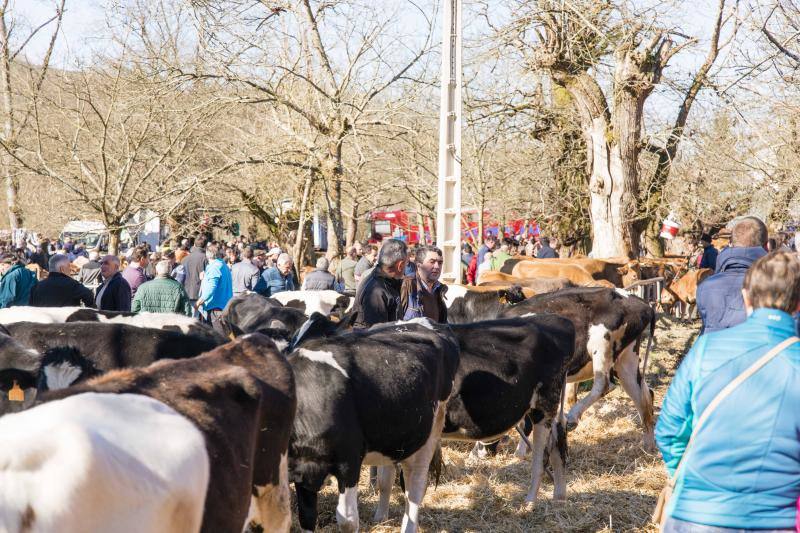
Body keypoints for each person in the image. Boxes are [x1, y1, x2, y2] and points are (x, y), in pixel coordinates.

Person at [656, 251, 800, 532]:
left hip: (695, 515)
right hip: (773, 519)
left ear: (746, 297)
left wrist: (684, 476)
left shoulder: (705, 349)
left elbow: (669, 429)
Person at [696, 217, 768, 334]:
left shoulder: (705, 287)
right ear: (766, 246)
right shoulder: (774, 289)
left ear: (731, 243)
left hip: (712, 349)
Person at [353, 239, 408, 328]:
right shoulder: (377, 291)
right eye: (406, 263)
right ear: (400, 265)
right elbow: (378, 334)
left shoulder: (387, 281)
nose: (406, 267)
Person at [401, 245, 447, 322]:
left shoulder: (439, 289)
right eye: (432, 262)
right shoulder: (406, 285)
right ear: (418, 265)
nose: (437, 266)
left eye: (440, 262)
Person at [30, 254, 95, 308]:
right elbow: (88, 295)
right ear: (62, 269)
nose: (70, 270)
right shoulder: (72, 285)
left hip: (44, 322)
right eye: (69, 267)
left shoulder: (36, 287)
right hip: (67, 322)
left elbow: (32, 309)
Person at [196, 243, 233, 333]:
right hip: (223, 306)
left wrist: (199, 302)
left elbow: (211, 288)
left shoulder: (215, 267)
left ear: (207, 255)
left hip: (215, 309)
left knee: (217, 338)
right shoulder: (222, 264)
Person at [183, 236, 208, 315]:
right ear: (206, 246)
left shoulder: (185, 258)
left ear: (194, 244)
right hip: (199, 295)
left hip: (186, 292)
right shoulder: (206, 258)